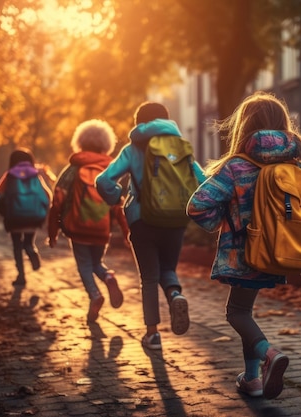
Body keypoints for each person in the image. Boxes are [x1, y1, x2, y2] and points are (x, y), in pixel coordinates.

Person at [186, 91, 301, 400]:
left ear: (244, 127)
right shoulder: (300, 170)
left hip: (242, 255)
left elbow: (197, 206)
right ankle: (252, 379)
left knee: (236, 313)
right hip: (278, 254)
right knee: (246, 311)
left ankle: (269, 354)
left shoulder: (236, 168)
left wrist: (227, 221)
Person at [96, 101, 206, 350]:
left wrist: (117, 198)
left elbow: (104, 180)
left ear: (139, 123)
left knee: (149, 277)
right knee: (168, 268)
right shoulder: (181, 146)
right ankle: (175, 295)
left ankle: (153, 335)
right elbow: (203, 182)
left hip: (142, 219)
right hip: (176, 220)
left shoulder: (133, 148)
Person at [47, 119, 130, 325]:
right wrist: (126, 230)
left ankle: (94, 295)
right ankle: (108, 278)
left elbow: (57, 199)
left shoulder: (73, 169)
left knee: (84, 265)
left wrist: (53, 231)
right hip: (102, 229)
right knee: (96, 263)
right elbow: (117, 203)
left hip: (77, 228)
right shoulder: (109, 171)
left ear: (80, 141)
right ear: (106, 143)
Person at [0, 147, 52, 287]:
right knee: (28, 243)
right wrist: (43, 212)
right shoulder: (35, 175)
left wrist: (5, 211)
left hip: (14, 219)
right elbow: (47, 195)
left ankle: (21, 276)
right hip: (33, 218)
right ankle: (32, 253)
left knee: (17, 246)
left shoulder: (9, 175)